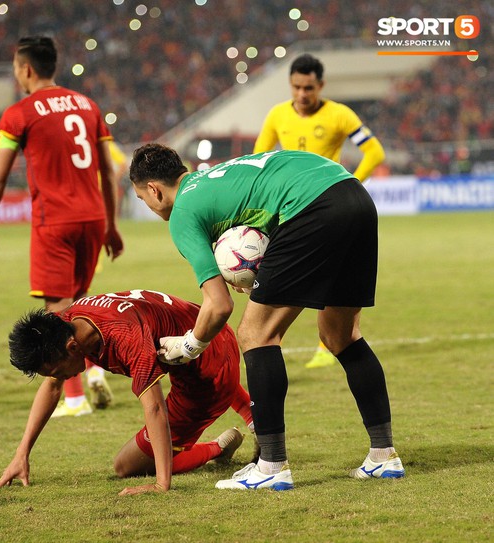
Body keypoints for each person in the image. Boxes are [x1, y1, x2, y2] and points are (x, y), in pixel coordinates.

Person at [129, 143, 405, 491]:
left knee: (255, 334)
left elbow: (218, 305)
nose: (148, 206)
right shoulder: (217, 179)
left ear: (154, 190)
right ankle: (383, 455)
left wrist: (189, 345)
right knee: (339, 334)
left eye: (142, 199)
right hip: (354, 196)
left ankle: (272, 465)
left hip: (313, 207)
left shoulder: (183, 211)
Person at [0, 36, 124, 417]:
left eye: (15, 70)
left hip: (54, 220)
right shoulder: (88, 105)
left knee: (58, 310)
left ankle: (73, 399)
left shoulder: (20, 113)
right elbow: (108, 171)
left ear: (26, 69)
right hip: (92, 217)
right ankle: (92, 374)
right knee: (80, 302)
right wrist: (111, 224)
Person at [0, 289, 255, 495]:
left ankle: (216, 448)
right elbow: (52, 386)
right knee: (174, 359)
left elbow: (153, 408)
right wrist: (21, 453)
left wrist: (161, 485)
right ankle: (254, 417)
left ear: (72, 348)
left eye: (56, 370)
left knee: (126, 465)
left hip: (210, 366)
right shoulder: (65, 323)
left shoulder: (124, 337)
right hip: (204, 330)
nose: (58, 378)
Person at [253, 53, 386, 369]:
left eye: (309, 88)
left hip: (327, 207)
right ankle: (268, 342)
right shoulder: (277, 115)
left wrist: (351, 182)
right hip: (288, 208)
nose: (302, 94)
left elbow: (374, 151)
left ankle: (329, 344)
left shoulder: (340, 115)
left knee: (332, 274)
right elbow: (259, 158)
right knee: (272, 274)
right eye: (297, 87)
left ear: (321, 86)